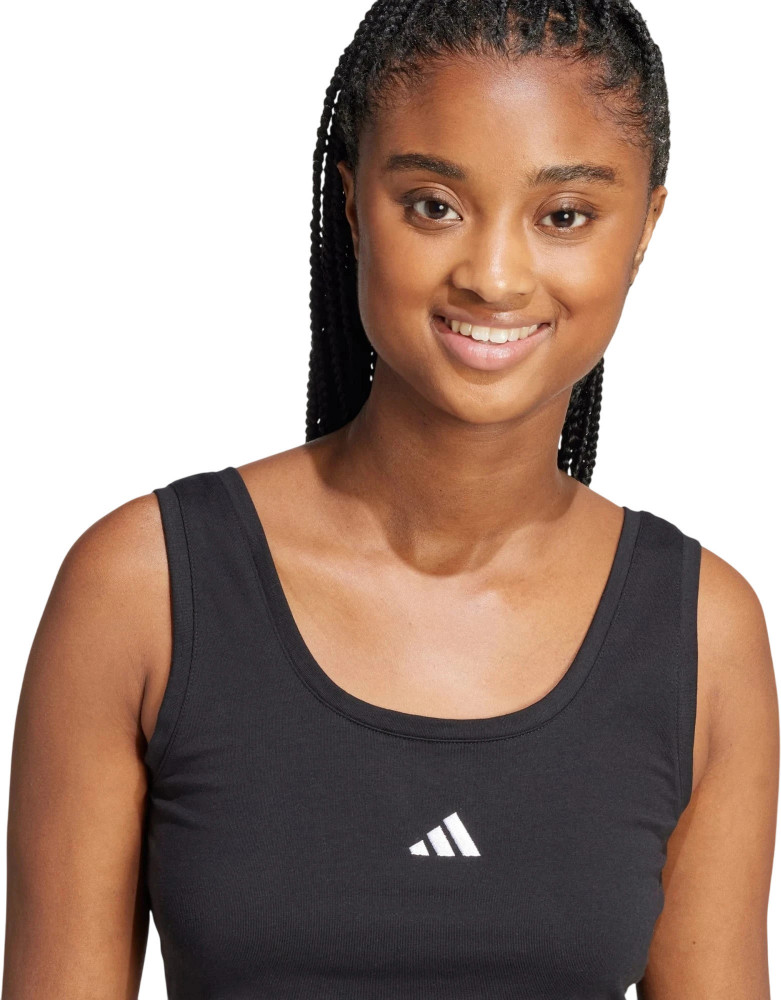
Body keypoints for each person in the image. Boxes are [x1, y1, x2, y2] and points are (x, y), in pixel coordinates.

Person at [3, 0, 777, 997]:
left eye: (564, 216)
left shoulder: (701, 634)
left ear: (645, 230)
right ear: (351, 202)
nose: (493, 277)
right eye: (432, 204)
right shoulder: (141, 589)